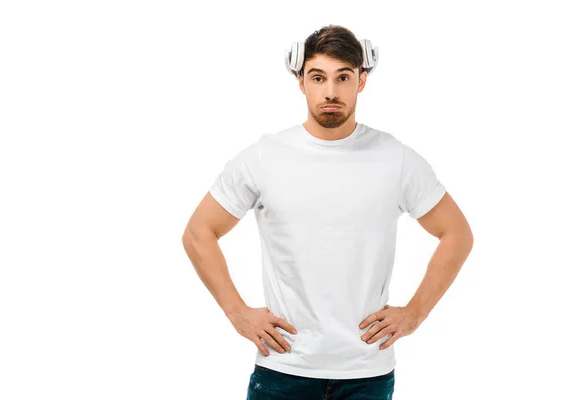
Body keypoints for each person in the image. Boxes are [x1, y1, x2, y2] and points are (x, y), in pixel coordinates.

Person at [182, 24, 473, 400]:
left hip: (367, 373)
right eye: (318, 77)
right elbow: (198, 231)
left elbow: (457, 234)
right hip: (283, 370)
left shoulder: (396, 159)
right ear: (301, 82)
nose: (331, 91)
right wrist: (236, 313)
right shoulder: (263, 157)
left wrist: (414, 313)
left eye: (343, 77)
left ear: (361, 81)